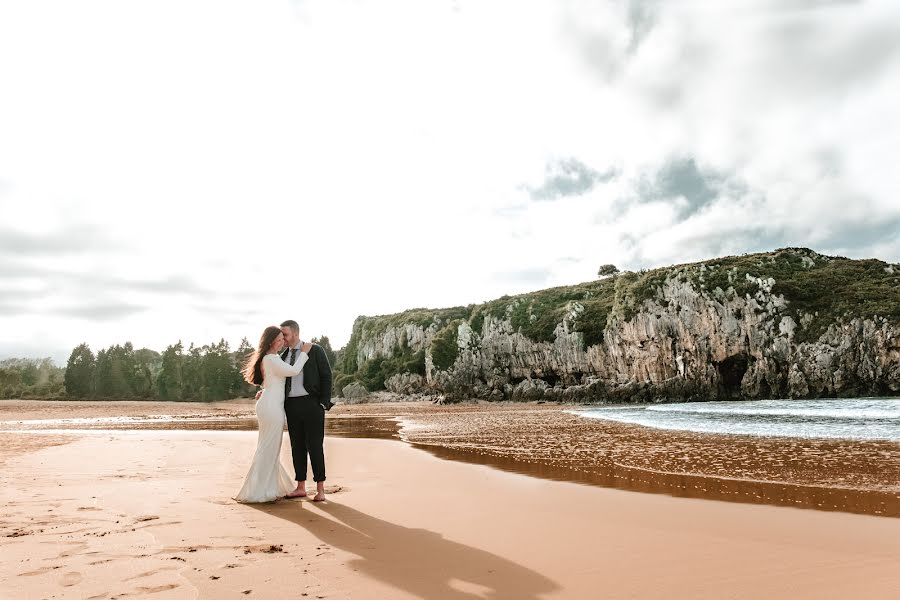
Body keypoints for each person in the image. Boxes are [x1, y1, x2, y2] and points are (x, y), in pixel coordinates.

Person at [234, 326, 311, 503]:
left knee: (270, 447)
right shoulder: (270, 358)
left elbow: (273, 381)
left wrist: (264, 391)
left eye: (282, 339)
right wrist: (304, 353)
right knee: (268, 447)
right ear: (270, 342)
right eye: (279, 339)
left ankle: (268, 486)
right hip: (271, 407)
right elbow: (293, 371)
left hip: (270, 403)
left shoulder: (272, 358)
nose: (282, 342)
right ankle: (258, 490)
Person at [279, 319, 334, 501]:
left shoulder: (315, 350)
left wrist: (323, 402)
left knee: (315, 446)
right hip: (291, 405)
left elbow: (326, 375)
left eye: (285, 334)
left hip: (312, 403)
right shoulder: (283, 356)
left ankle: (321, 489)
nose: (283, 338)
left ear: (295, 333)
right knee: (297, 446)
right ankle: (300, 486)